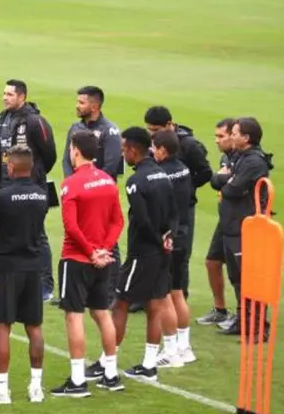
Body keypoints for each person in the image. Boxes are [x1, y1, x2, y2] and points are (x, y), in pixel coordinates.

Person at [97, 128, 175, 382]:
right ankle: (149, 365)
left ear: (132, 149)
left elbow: (142, 219)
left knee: (120, 304)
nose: (123, 155)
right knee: (155, 306)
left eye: (123, 150)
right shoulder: (163, 175)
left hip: (142, 253)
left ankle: (106, 362)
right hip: (164, 252)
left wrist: (155, 241)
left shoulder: (135, 181)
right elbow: (174, 213)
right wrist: (168, 238)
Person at [51, 131, 124, 397]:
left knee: (74, 316)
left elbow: (71, 226)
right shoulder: (107, 181)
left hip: (77, 258)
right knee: (102, 313)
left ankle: (78, 381)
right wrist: (104, 248)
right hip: (103, 260)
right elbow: (118, 221)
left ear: (75, 151)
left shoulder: (71, 184)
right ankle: (112, 374)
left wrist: (92, 251)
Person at [0, 146, 49, 405]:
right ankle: (36, 387)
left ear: (10, 167)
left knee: (2, 326)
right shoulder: (41, 195)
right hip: (33, 267)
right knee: (34, 327)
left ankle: (2, 389)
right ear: (30, 167)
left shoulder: (1, 197)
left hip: (7, 268)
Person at [0, 80, 58, 300]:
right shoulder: (1, 119)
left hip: (30, 188)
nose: (5, 97)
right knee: (5, 233)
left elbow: (50, 155)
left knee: (37, 234)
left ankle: (45, 284)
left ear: (22, 97)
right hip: (5, 186)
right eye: (4, 93)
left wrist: (34, 176)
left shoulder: (35, 121)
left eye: (10, 94)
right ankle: (8, 279)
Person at [143, 106, 213, 313]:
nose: (152, 134)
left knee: (180, 253)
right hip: (159, 207)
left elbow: (206, 172)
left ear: (169, 124)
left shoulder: (189, 145)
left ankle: (180, 295)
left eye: (155, 129)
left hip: (183, 209)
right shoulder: (155, 143)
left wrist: (186, 188)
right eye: (149, 129)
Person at [62, 86, 124, 306]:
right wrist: (73, 183)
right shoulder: (75, 128)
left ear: (94, 106)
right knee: (77, 233)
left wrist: (91, 184)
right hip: (79, 192)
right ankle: (77, 287)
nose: (77, 106)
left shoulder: (110, 131)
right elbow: (66, 161)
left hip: (101, 193)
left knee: (107, 238)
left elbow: (111, 164)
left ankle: (111, 290)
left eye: (81, 102)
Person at [213, 117, 273, 339]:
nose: (232, 136)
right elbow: (217, 181)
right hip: (233, 225)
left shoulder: (254, 162)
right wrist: (225, 179)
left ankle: (258, 326)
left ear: (246, 138)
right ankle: (243, 320)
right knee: (237, 277)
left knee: (251, 278)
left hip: (246, 228)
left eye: (235, 133)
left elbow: (232, 189)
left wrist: (226, 180)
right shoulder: (239, 158)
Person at [152, 130, 197, 368]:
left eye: (154, 147)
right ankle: (185, 347)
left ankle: (171, 352)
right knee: (177, 291)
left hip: (169, 238)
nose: (152, 151)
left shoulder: (162, 174)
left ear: (163, 150)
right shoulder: (183, 168)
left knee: (164, 295)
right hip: (183, 234)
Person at [199, 118, 236, 327]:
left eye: (221, 136)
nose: (216, 141)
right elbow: (217, 180)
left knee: (239, 271)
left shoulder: (244, 159)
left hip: (239, 221)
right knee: (212, 262)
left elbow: (226, 182)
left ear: (234, 135)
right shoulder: (226, 157)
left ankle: (245, 315)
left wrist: (222, 179)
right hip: (225, 219)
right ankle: (220, 310)